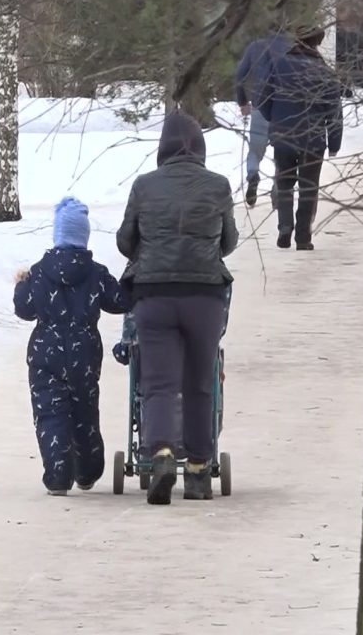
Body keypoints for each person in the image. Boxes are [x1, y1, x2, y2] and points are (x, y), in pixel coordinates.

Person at [116, 110, 238, 505]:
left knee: (159, 384)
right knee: (200, 383)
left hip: (154, 297)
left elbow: (125, 241)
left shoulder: (144, 186)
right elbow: (229, 241)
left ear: (162, 148)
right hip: (204, 297)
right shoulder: (218, 186)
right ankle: (200, 470)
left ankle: (162, 453)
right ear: (200, 149)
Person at [13, 196, 128, 496]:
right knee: (84, 412)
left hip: (45, 356)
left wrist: (21, 284)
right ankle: (88, 472)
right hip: (84, 354)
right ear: (84, 236)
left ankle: (58, 475)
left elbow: (24, 309)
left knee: (50, 414)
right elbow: (120, 301)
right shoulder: (96, 273)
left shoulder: (38, 272)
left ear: (57, 235)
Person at [261, 26, 343, 251]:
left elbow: (263, 98)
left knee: (284, 182)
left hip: (283, 136)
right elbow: (334, 111)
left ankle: (285, 226)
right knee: (309, 187)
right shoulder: (325, 73)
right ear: (317, 43)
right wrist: (334, 142)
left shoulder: (278, 66)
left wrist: (275, 119)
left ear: (296, 41)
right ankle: (303, 236)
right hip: (313, 139)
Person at [234, 29, 293, 207]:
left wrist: (243, 101)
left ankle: (253, 175)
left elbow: (239, 76)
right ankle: (277, 187)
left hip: (260, 105)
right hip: (283, 109)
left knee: (255, 150)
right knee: (282, 152)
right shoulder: (290, 48)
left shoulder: (255, 47)